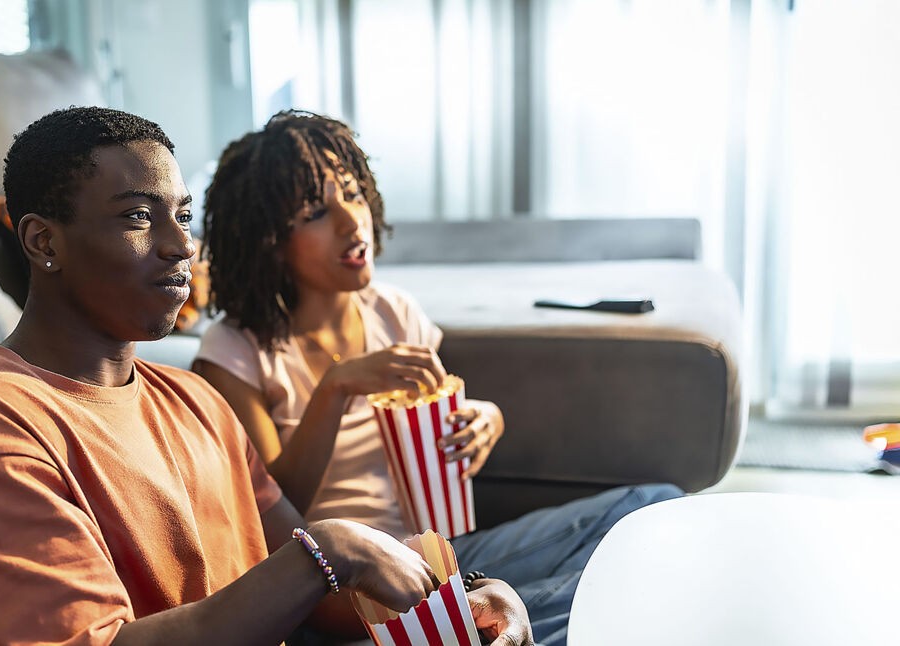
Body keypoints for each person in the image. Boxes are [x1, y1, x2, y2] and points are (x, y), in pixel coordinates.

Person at [0, 106, 536, 646]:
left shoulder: (194, 402)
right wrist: (334, 551)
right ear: (42, 242)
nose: (181, 246)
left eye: (182, 215)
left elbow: (307, 577)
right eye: (139, 217)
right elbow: (314, 561)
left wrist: (469, 600)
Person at [194, 110, 682, 646]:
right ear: (270, 240)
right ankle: (505, 622)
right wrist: (335, 389)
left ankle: (489, 622)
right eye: (315, 212)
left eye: (354, 194)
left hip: (445, 558)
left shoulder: (393, 311)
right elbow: (269, 517)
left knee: (654, 505)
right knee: (628, 596)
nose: (350, 221)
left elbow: (439, 425)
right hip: (344, 599)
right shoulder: (235, 351)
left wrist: (485, 421)